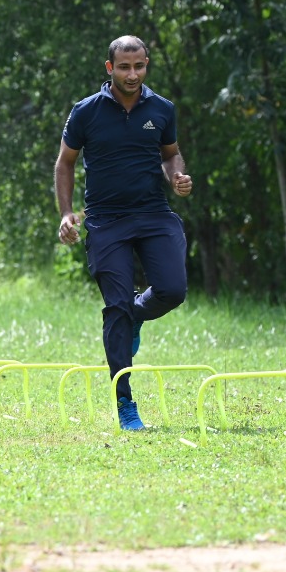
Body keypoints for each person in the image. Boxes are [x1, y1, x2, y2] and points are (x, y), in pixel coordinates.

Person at [55, 34, 192, 431]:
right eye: (124, 67)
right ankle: (125, 402)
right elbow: (65, 163)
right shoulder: (86, 111)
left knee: (172, 290)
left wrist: (177, 176)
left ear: (146, 64)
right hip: (106, 220)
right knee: (115, 307)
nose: (133, 74)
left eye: (139, 66)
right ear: (110, 68)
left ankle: (136, 313)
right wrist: (66, 214)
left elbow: (171, 154)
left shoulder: (162, 108)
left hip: (153, 213)